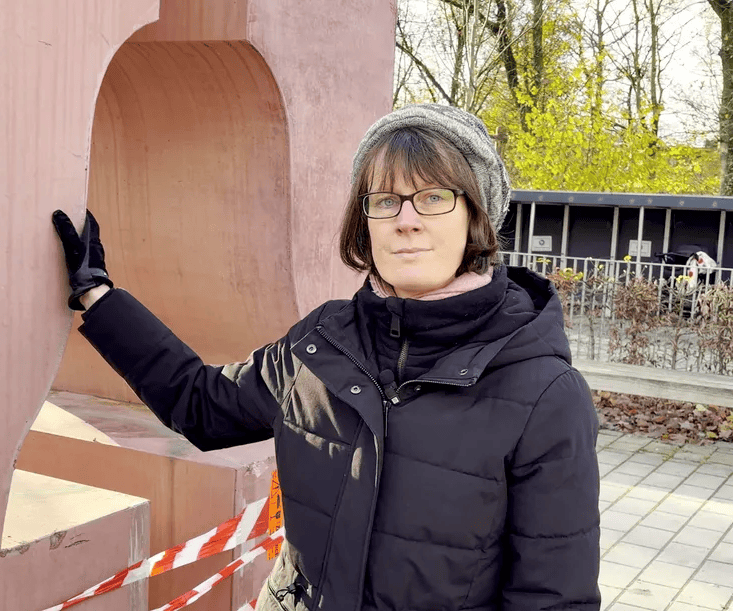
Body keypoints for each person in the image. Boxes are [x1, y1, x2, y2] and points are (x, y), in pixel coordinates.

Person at [51, 104, 601, 611]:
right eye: (385, 201)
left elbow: (553, 597)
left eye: (433, 197)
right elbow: (202, 404)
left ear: (477, 217)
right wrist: (99, 297)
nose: (406, 220)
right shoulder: (322, 342)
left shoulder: (544, 394)